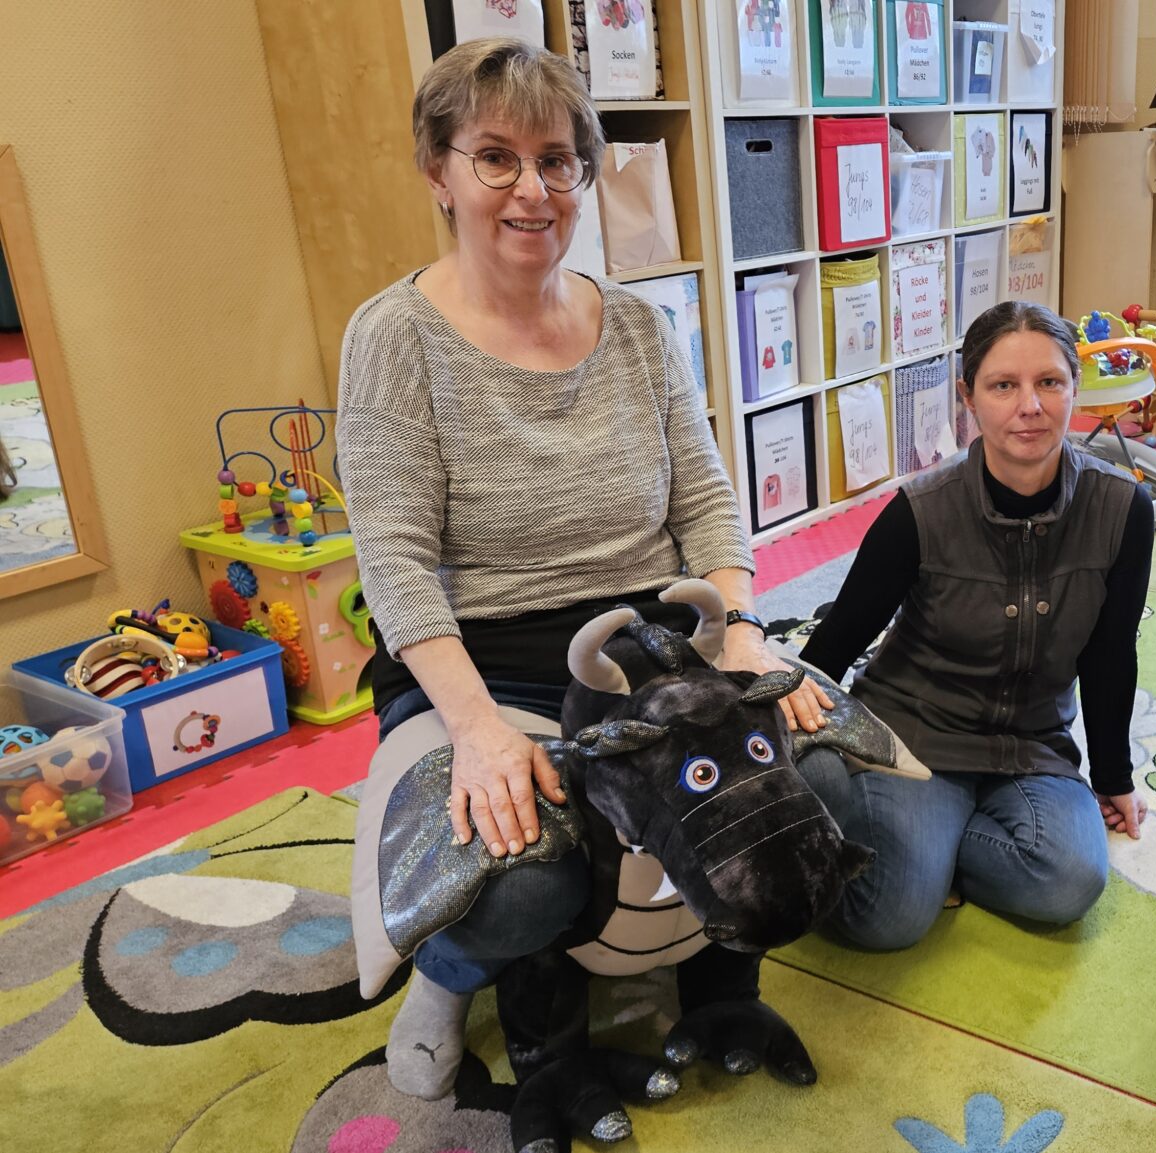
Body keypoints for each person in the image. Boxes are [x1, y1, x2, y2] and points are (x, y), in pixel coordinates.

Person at [336, 38, 828, 1101]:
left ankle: (712, 979)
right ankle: (445, 971)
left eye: (557, 160)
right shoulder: (394, 337)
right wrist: (478, 732)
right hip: (485, 666)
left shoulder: (639, 325)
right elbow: (396, 566)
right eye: (495, 157)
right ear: (438, 173)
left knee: (803, 783)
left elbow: (706, 501)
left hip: (653, 649)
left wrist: (743, 630)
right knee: (521, 876)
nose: (533, 189)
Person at [794, 301, 1155, 950]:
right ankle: (913, 845)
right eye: (1003, 385)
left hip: (1032, 743)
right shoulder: (919, 512)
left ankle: (938, 853)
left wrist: (1114, 777)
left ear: (1075, 388)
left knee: (1069, 883)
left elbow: (1110, 653)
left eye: (1050, 382)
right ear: (969, 398)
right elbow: (835, 642)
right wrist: (797, 742)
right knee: (887, 919)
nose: (1030, 406)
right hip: (917, 736)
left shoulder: (1123, 508)